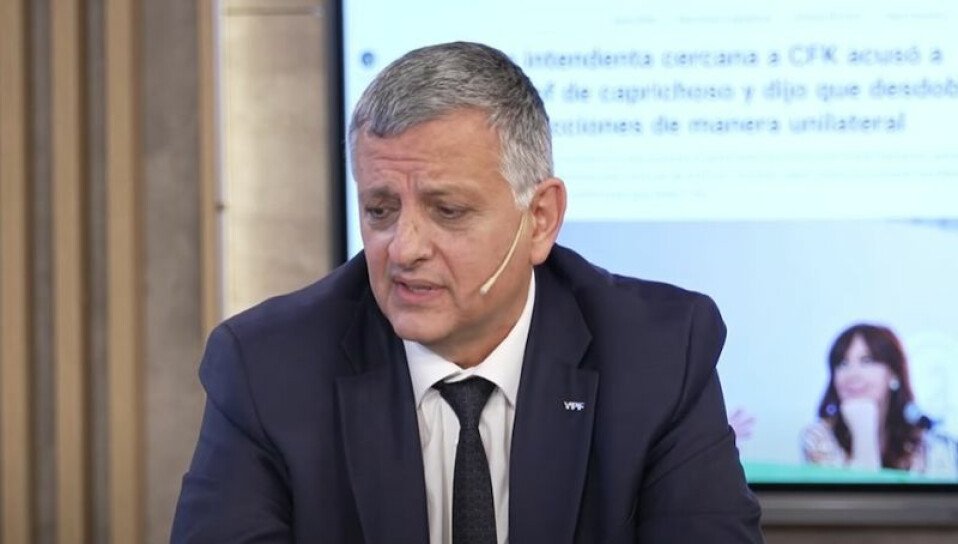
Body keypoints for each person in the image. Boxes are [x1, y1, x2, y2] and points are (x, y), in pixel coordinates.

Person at [171, 41, 763, 543]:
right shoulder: (266, 366)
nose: (404, 248)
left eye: (447, 210)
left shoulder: (659, 353)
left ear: (540, 219)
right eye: (380, 210)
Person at [802, 323, 957, 477]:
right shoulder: (819, 437)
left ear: (894, 373)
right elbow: (862, 491)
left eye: (866, 361)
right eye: (842, 363)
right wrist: (863, 430)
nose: (852, 374)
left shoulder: (931, 444)